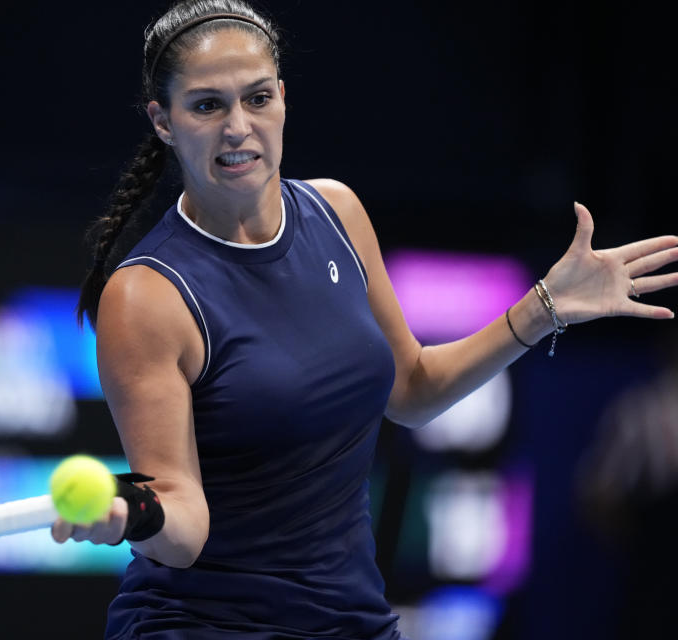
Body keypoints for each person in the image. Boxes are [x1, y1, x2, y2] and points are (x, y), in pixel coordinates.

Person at [52, 1, 678, 638]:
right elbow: (183, 525)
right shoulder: (145, 297)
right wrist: (132, 512)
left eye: (257, 98)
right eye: (207, 106)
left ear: (284, 99)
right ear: (163, 121)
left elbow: (412, 388)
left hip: (352, 622)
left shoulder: (338, 212)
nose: (238, 126)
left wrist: (545, 306)